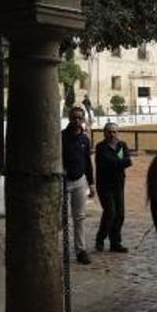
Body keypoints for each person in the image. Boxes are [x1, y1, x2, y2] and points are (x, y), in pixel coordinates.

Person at [61, 106, 95, 264]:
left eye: (79, 118)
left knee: (80, 217)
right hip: (64, 181)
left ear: (83, 119)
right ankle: (62, 248)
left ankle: (80, 250)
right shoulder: (61, 137)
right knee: (62, 217)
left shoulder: (85, 139)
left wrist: (91, 183)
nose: (77, 121)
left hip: (80, 180)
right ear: (69, 118)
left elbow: (88, 162)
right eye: (74, 117)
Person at [94, 122, 132, 253]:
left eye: (114, 131)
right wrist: (119, 163)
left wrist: (116, 162)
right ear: (104, 133)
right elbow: (105, 163)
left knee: (120, 214)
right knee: (110, 212)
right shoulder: (101, 147)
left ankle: (115, 242)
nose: (112, 134)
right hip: (104, 185)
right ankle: (100, 238)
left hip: (118, 184)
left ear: (118, 132)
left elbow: (128, 161)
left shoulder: (122, 145)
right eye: (109, 131)